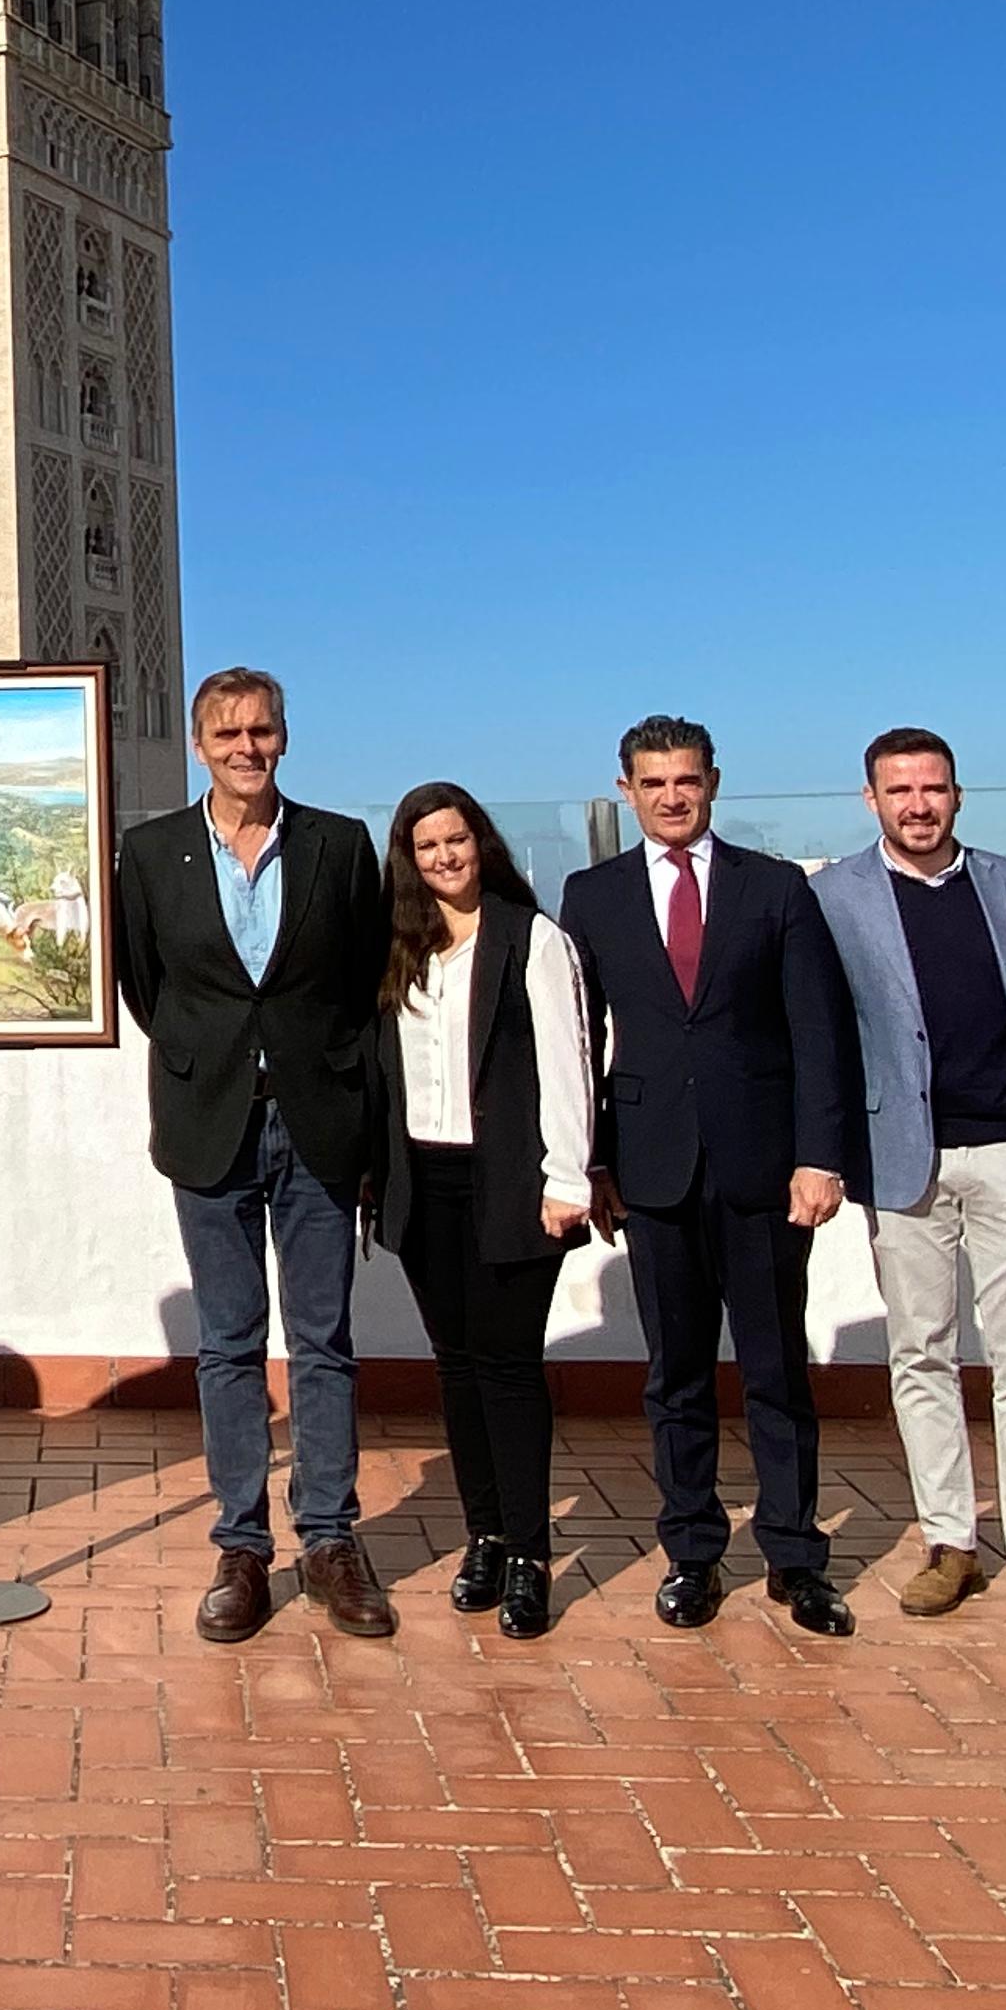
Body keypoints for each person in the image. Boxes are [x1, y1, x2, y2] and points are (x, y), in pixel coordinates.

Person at [555, 716, 859, 1638]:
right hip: (651, 1171)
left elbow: (819, 1029)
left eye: (686, 781)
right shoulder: (592, 894)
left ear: (713, 783)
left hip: (764, 1169)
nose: (672, 797)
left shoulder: (775, 889)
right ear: (626, 791)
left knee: (775, 1372)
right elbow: (579, 1040)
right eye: (653, 784)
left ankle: (796, 1557)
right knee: (675, 1375)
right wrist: (593, 1161)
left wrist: (821, 1156)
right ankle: (692, 1552)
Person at [112, 666, 397, 1644]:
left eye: (263, 732)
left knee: (322, 1341)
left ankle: (330, 1539)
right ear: (199, 745)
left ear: (284, 739)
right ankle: (243, 1545)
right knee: (230, 1342)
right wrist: (216, 1059)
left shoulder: (339, 847)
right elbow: (147, 985)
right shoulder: (150, 854)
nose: (247, 747)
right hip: (209, 1120)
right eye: (228, 733)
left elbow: (366, 983)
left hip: (318, 1120)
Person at [812, 731, 1006, 1630]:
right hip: (903, 1158)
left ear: (958, 795)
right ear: (871, 801)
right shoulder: (830, 897)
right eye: (898, 790)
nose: (917, 804)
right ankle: (948, 1540)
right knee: (921, 1352)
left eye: (932, 788)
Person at [372, 783, 596, 1642]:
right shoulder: (401, 947)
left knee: (507, 1367)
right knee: (456, 1366)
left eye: (456, 840)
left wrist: (567, 1178)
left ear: (481, 843)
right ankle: (486, 1536)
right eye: (427, 846)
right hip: (424, 1183)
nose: (444, 858)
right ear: (410, 858)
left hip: (510, 1183)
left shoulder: (531, 939)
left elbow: (570, 1061)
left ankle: (532, 1553)